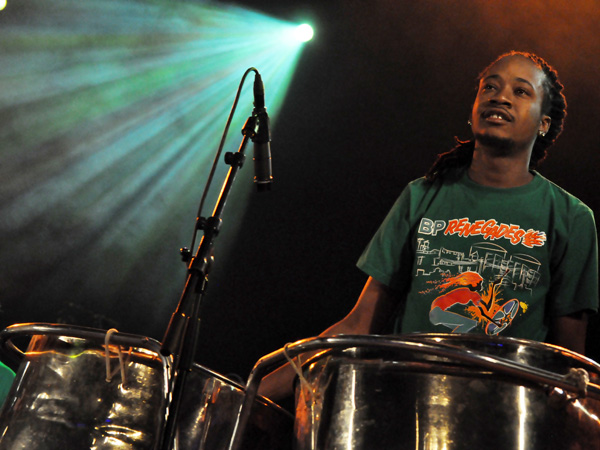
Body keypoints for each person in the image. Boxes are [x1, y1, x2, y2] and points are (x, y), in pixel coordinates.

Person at [259, 51, 599, 402]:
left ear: (544, 123)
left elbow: (568, 361)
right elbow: (361, 323)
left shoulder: (571, 218)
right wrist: (255, 391)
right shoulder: (421, 195)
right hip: (405, 406)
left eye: (521, 91)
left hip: (505, 417)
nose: (500, 96)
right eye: (490, 88)